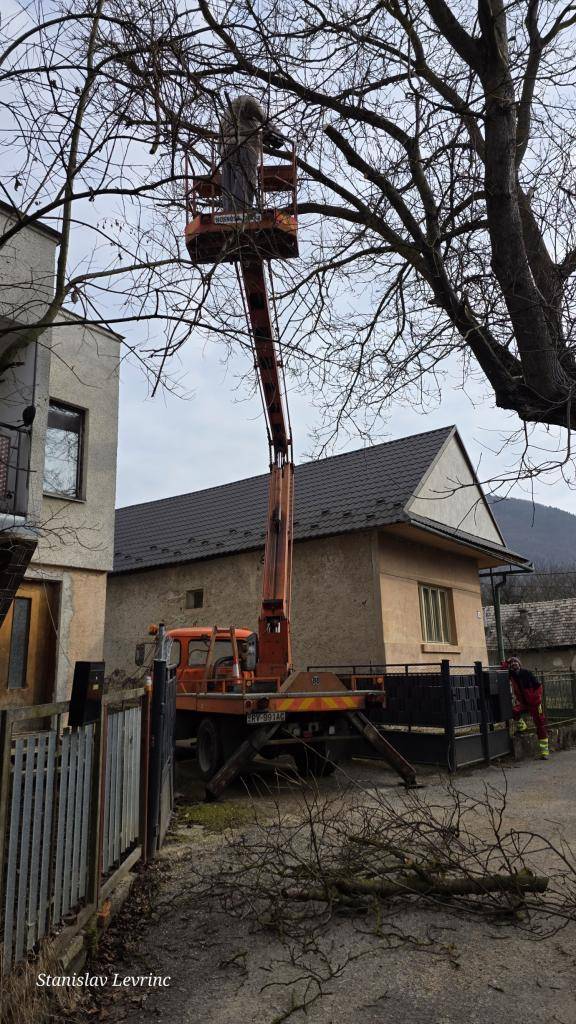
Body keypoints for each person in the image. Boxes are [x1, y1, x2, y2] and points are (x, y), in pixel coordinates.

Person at [219, 95, 285, 213]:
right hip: (244, 146)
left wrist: (263, 135)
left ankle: (229, 213)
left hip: (226, 151)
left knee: (228, 185)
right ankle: (241, 213)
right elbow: (255, 109)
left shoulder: (227, 115)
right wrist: (277, 133)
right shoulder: (247, 100)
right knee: (246, 181)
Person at [505, 656, 549, 759]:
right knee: (514, 711)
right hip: (524, 703)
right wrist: (508, 660)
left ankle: (544, 753)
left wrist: (536, 698)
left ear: (520, 664)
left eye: (516, 662)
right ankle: (522, 727)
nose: (514, 663)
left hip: (534, 703)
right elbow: (502, 667)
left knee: (540, 726)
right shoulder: (511, 675)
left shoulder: (527, 673)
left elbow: (538, 686)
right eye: (512, 663)